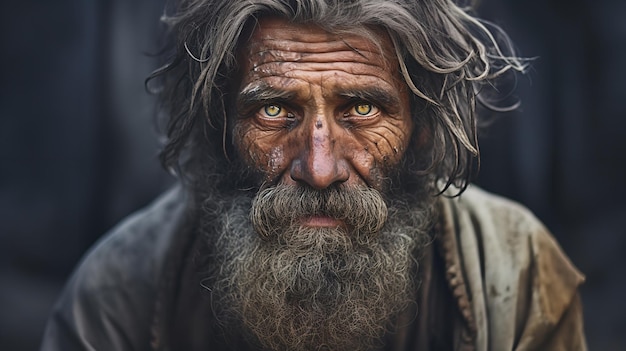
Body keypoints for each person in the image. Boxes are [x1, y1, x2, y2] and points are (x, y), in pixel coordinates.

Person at [40, 0, 587, 350]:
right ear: (220, 127)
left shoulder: (516, 275)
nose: (319, 168)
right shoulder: (117, 297)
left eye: (363, 109)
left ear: (421, 126)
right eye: (274, 111)